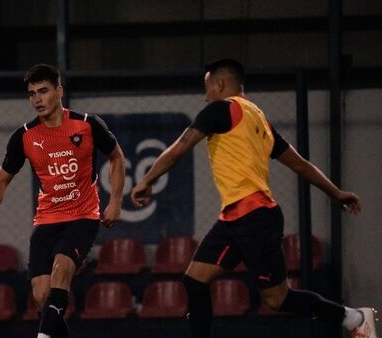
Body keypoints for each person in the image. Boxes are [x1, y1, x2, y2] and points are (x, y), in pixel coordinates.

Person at [130, 58, 377, 338]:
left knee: (278, 299)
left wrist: (147, 180)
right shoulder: (257, 117)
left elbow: (179, 148)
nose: (205, 94)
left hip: (254, 216)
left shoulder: (221, 109)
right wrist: (336, 192)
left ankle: (353, 318)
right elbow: (301, 164)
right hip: (235, 218)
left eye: (207, 86)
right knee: (195, 281)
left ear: (219, 83)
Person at [0, 64, 125, 338]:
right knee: (42, 297)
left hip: (82, 217)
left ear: (59, 91)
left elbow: (116, 157)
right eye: (31, 94)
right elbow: (2, 178)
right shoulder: (24, 137)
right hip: (46, 221)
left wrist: (115, 201)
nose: (37, 99)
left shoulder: (88, 124)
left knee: (61, 271)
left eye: (43, 91)